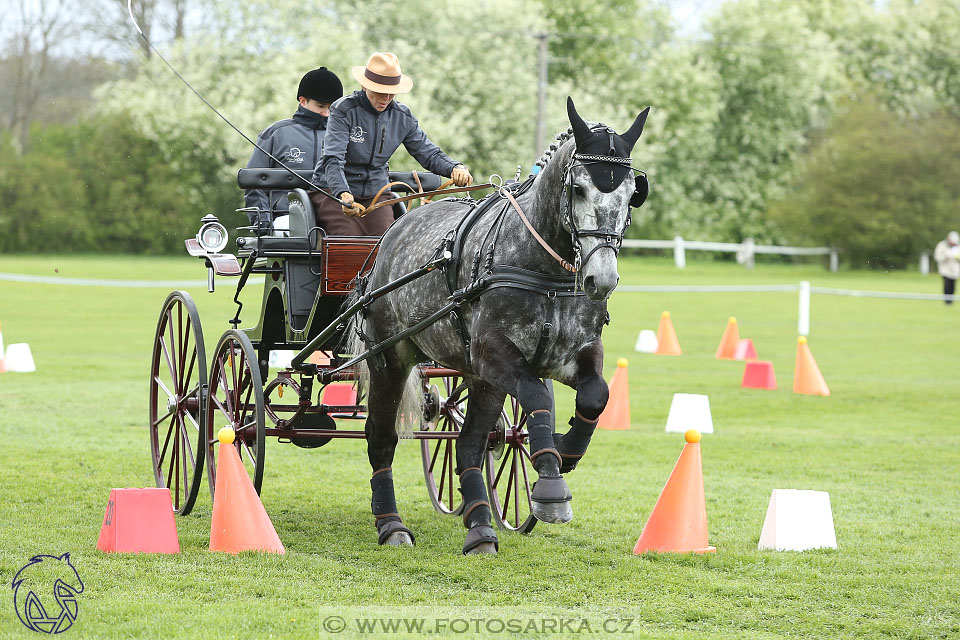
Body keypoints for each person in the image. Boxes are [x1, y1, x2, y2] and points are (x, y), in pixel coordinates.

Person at [311, 52, 473, 236]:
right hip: (333, 192)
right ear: (364, 85)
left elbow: (429, 153)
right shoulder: (343, 110)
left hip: (377, 194)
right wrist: (342, 194)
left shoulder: (403, 117)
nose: (386, 98)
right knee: (349, 243)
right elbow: (333, 159)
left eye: (391, 93)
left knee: (387, 244)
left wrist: (454, 167)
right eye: (380, 91)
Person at [243, 67, 343, 227]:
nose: (327, 113)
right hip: (286, 218)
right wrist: (261, 221)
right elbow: (255, 182)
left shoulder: (343, 136)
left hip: (336, 218)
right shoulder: (276, 134)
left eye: (332, 108)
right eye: (321, 106)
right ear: (302, 101)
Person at [934, 230, 960, 304]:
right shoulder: (942, 245)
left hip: (955, 270)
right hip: (945, 270)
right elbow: (938, 257)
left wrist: (956, 257)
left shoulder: (958, 247)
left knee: (953, 286)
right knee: (947, 285)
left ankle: (950, 301)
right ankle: (947, 302)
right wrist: (946, 255)